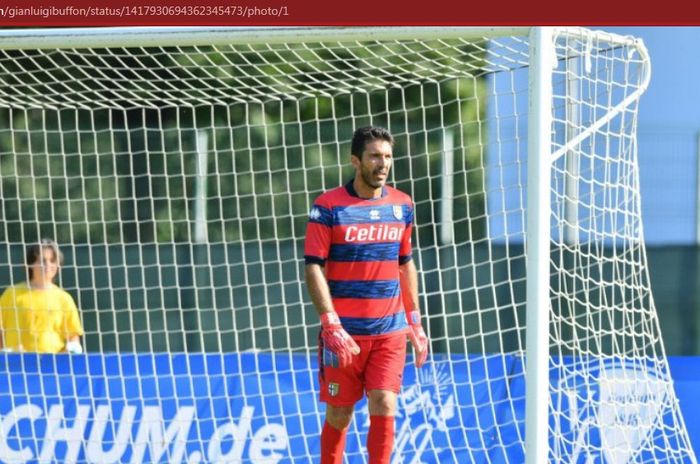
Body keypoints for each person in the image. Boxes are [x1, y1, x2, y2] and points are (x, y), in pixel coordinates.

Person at [304, 126, 429, 464]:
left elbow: (405, 264)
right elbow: (313, 266)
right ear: (355, 161)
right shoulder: (328, 206)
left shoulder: (402, 205)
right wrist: (330, 324)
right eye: (375, 156)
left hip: (389, 332)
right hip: (342, 337)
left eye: (387, 156)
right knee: (339, 415)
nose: (383, 163)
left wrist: (414, 321)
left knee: (385, 402)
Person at [0, 239, 84, 354]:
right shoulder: (11, 294)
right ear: (30, 264)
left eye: (53, 261)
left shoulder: (64, 299)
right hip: (15, 366)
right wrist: (6, 353)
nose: (48, 265)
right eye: (43, 261)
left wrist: (68, 352)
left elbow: (73, 337)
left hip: (51, 367)